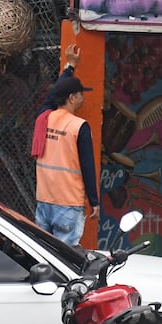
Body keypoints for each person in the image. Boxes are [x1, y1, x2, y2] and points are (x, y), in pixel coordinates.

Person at [32, 45, 100, 246]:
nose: (83, 97)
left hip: (44, 200)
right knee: (64, 256)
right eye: (80, 94)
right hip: (68, 204)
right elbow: (87, 166)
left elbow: (53, 95)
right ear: (72, 98)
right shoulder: (79, 126)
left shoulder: (44, 118)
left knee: (44, 252)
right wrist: (94, 201)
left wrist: (70, 66)